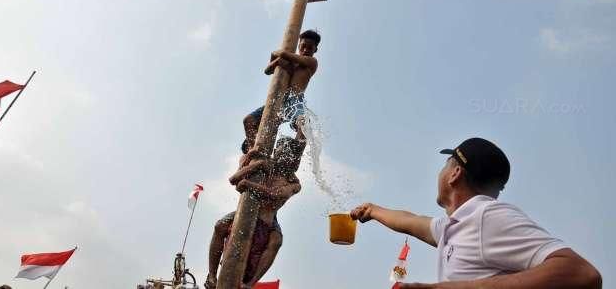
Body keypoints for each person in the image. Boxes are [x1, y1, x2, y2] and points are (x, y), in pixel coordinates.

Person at [350, 137, 602, 289]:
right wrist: (372, 210)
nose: (440, 172)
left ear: (455, 173)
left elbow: (582, 274)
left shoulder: (487, 216)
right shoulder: (456, 225)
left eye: (445, 165)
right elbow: (411, 221)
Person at [205, 137, 305, 289]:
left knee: (276, 241)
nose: (281, 151)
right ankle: (211, 276)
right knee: (220, 225)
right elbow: (234, 179)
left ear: (290, 156)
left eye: (286, 150)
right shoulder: (264, 164)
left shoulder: (293, 182)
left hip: (269, 218)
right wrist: (256, 164)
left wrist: (249, 185)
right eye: (279, 148)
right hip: (247, 211)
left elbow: (276, 195)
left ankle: (250, 284)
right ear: (275, 151)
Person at [243, 29, 320, 151]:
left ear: (315, 50)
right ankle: (254, 150)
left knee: (303, 124)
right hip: (279, 99)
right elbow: (267, 70)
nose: (305, 50)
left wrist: (279, 56)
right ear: (299, 44)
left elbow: (282, 54)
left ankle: (294, 156)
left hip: (295, 100)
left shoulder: (312, 62)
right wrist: (277, 60)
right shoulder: (291, 62)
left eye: (309, 48)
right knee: (248, 120)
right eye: (303, 46)